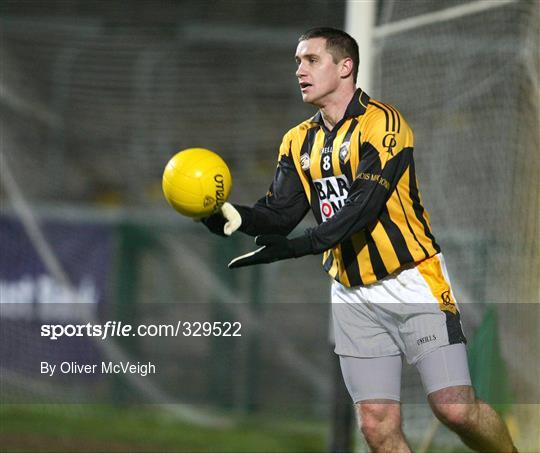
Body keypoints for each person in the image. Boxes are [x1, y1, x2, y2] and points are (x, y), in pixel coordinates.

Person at [202, 27, 517, 452]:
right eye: (298, 61)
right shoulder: (298, 141)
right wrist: (228, 215)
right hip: (351, 294)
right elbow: (278, 215)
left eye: (311, 60)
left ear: (345, 66)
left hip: (411, 281)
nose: (299, 70)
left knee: (454, 408)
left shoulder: (384, 123)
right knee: (375, 426)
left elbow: (360, 210)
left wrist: (297, 247)